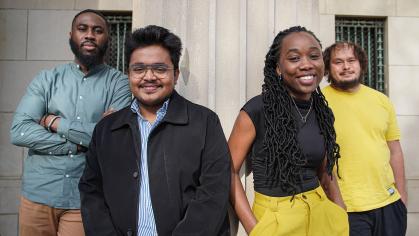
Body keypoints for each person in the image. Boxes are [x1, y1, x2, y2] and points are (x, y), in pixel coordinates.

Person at [78, 25, 231, 236]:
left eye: (160, 69)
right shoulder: (107, 129)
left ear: (176, 74)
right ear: (128, 74)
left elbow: (214, 194)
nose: (149, 77)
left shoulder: (204, 122)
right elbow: (91, 192)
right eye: (138, 69)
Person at [9, 9, 132, 236]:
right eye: (82, 29)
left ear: (108, 37)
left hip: (84, 198)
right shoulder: (46, 79)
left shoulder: (120, 84)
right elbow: (20, 132)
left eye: (98, 30)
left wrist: (55, 122)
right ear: (71, 35)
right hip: (37, 195)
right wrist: (80, 142)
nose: (90, 35)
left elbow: (113, 138)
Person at [229, 26, 349, 236]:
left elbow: (325, 171)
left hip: (323, 217)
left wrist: (340, 211)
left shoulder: (322, 111)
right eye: (294, 58)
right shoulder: (256, 110)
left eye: (314, 56)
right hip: (275, 219)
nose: (306, 65)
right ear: (278, 68)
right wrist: (254, 229)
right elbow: (228, 171)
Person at [322, 41, 407, 236]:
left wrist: (402, 197)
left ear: (361, 64)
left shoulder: (381, 100)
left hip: (389, 203)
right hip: (346, 207)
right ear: (328, 67)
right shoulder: (319, 102)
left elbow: (394, 150)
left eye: (351, 60)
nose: (346, 67)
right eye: (338, 62)